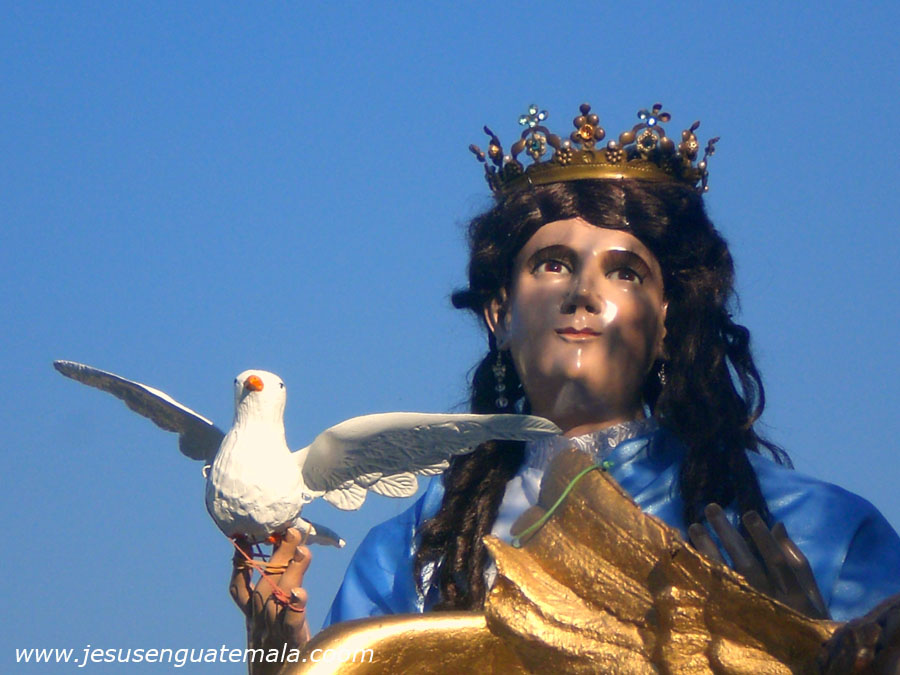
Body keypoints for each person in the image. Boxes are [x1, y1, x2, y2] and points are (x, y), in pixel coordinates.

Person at [230, 103, 900, 665]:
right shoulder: (410, 552)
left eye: (625, 272)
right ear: (500, 312)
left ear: (666, 321)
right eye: (552, 264)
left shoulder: (818, 531)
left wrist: (809, 649)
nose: (583, 292)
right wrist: (282, 657)